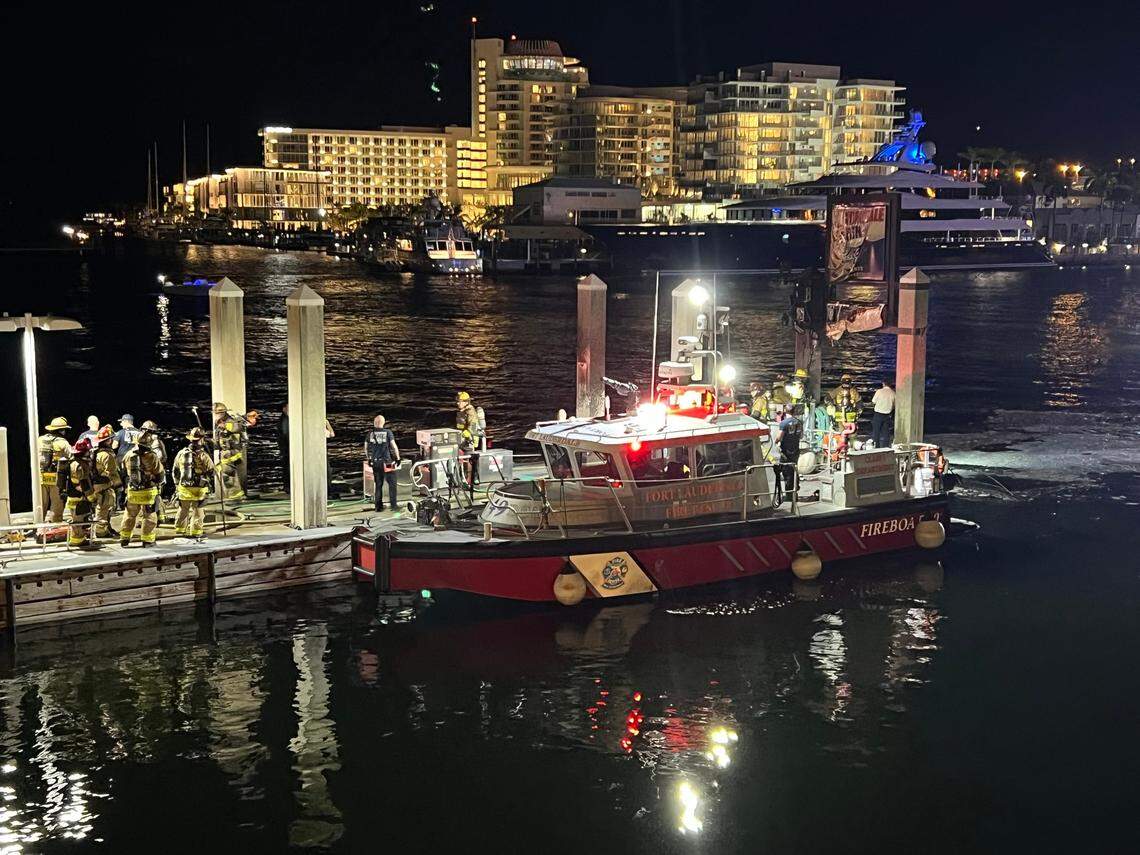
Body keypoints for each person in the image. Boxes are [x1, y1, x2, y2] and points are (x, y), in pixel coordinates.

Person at [120, 430, 165, 547]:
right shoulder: (152, 456)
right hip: (148, 491)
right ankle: (147, 540)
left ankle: (124, 538)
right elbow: (160, 474)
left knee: (129, 515)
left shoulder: (129, 455)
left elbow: (123, 471)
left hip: (133, 491)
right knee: (149, 516)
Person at [172, 427, 215, 539]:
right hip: (199, 489)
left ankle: (180, 530)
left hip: (184, 488)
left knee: (183, 509)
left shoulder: (181, 453)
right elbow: (211, 471)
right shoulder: (203, 456)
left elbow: (175, 471)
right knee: (198, 511)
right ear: (201, 440)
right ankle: (196, 532)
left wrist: (177, 484)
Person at [37, 417, 72, 523]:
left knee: (40, 504)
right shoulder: (62, 442)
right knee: (57, 504)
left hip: (40, 477)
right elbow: (71, 456)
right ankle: (55, 527)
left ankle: (38, 527)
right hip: (56, 478)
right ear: (61, 430)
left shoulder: (40, 439)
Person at [213, 402, 249, 501]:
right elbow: (218, 437)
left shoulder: (230, 421)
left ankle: (236, 496)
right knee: (229, 474)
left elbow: (237, 428)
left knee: (228, 473)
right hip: (225, 452)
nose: (217, 415)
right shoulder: (219, 421)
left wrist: (225, 427)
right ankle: (234, 496)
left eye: (219, 412)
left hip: (232, 452)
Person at [365, 415, 401, 512]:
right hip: (387, 462)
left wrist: (369, 459)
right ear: (383, 423)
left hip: (376, 462)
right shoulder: (388, 432)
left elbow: (366, 448)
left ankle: (378, 506)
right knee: (392, 483)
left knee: (378, 484)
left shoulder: (370, 433)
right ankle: (394, 506)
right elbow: (394, 446)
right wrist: (398, 458)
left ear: (374, 423)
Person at [65, 438, 96, 547]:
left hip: (73, 497)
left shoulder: (73, 462)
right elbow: (83, 484)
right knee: (78, 521)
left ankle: (79, 538)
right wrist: (92, 497)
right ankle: (77, 541)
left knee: (78, 520)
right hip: (79, 498)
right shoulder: (79, 465)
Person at [91, 425, 121, 538]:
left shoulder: (96, 452)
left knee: (102, 508)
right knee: (104, 508)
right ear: (108, 440)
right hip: (104, 485)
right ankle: (100, 532)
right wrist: (118, 485)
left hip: (96, 484)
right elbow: (112, 472)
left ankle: (106, 528)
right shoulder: (107, 455)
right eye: (111, 438)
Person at [772, 405, 804, 503]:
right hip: (795, 449)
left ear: (785, 411)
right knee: (794, 469)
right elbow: (801, 436)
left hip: (786, 451)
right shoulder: (799, 422)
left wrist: (775, 441)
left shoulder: (784, 423)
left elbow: (779, 436)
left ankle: (789, 495)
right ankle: (795, 489)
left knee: (787, 472)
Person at [141, 420, 168, 522]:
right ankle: (159, 516)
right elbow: (163, 458)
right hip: (154, 473)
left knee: (155, 495)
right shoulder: (155, 442)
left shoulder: (154, 443)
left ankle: (158, 517)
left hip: (153, 474)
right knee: (155, 495)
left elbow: (160, 458)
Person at [871, 378, 896, 448]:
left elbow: (873, 401)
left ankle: (876, 447)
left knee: (876, 432)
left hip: (878, 414)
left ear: (883, 383)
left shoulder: (879, 391)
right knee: (886, 433)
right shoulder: (893, 393)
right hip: (887, 415)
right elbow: (894, 406)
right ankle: (886, 447)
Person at [277, 404, 290, 493]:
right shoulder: (285, 420)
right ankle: (288, 486)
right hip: (287, 448)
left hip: (286, 448)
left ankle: (288, 486)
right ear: (284, 409)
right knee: (287, 467)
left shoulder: (285, 419)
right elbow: (286, 434)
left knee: (287, 467)